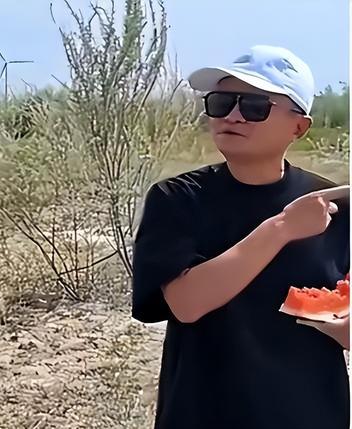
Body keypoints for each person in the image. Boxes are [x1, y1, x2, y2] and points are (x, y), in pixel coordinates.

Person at [132, 45, 350, 429]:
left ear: (299, 127)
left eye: (254, 106)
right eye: (221, 103)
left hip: (310, 412)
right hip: (204, 414)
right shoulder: (178, 199)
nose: (232, 116)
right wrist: (281, 228)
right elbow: (187, 303)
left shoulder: (334, 206)